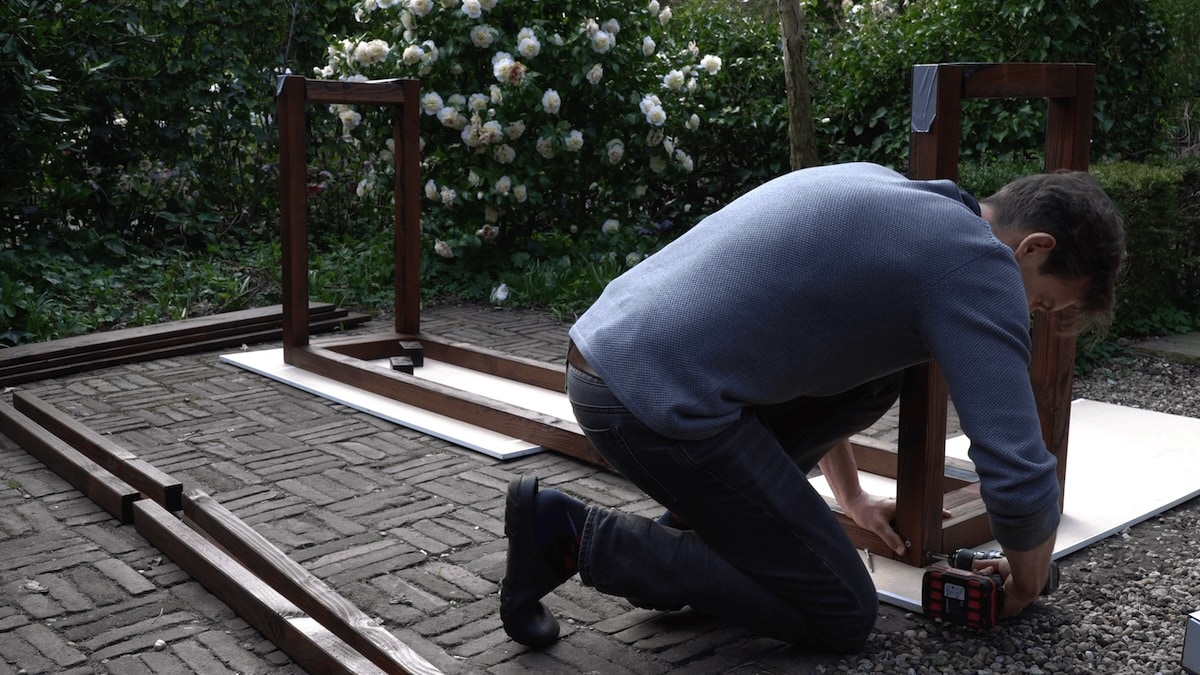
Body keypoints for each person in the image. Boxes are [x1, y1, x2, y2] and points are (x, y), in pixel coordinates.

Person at [498, 162, 1125, 651]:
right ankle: (569, 535)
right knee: (843, 611)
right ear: (1034, 247)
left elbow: (821, 362)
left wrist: (851, 499)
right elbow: (1016, 469)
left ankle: (684, 545)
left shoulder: (900, 197)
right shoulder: (976, 262)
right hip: (646, 400)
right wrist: (1024, 582)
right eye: (1048, 303)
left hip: (615, 360)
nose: (1037, 316)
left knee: (885, 374)